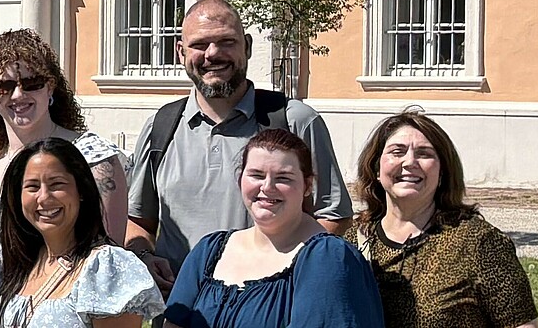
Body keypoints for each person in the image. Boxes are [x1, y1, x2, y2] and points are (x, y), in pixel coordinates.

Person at [125, 0, 352, 288]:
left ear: (247, 46)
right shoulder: (160, 128)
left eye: (226, 42)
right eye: (199, 44)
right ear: (180, 53)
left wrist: (284, 276)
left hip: (268, 302)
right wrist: (143, 255)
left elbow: (332, 216)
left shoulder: (295, 121)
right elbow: (138, 222)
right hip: (180, 305)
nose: (213, 53)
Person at [0, 30, 127, 300]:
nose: (18, 95)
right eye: (4, 86)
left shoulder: (94, 159)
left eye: (31, 83)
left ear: (50, 87)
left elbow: (107, 258)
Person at [160, 129, 383, 327]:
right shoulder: (209, 251)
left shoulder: (328, 258)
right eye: (256, 175)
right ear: (240, 179)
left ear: (307, 186)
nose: (267, 187)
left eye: (283, 178)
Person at [342, 109, 538, 328]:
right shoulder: (351, 242)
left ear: (442, 172)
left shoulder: (479, 242)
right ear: (376, 168)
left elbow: (523, 324)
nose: (409, 162)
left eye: (424, 153)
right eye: (397, 152)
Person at [0, 138, 161, 328]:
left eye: (56, 184)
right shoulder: (24, 263)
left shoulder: (105, 268)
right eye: (33, 187)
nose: (44, 197)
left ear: (81, 191)